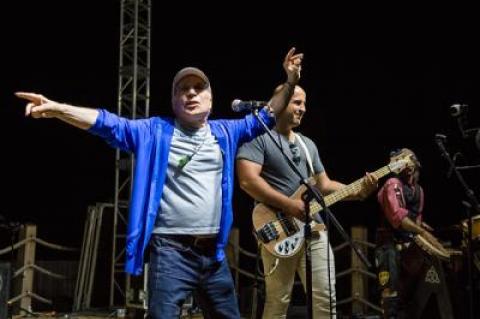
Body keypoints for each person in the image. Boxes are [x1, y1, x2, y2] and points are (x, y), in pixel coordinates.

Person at [15, 48, 303, 318]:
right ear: (174, 101)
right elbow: (108, 123)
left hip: (213, 254)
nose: (191, 93)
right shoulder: (154, 131)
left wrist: (289, 80)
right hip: (170, 252)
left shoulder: (226, 132)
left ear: (211, 100)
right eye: (182, 89)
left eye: (198, 88)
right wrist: (57, 108)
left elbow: (268, 113)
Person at [236, 83, 378, 318]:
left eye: (305, 104)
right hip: (278, 229)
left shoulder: (307, 144)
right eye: (297, 102)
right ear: (280, 102)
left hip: (314, 227)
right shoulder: (259, 137)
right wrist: (288, 205)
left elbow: (324, 185)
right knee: (277, 301)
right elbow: (248, 181)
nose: (303, 109)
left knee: (326, 298)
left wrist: (358, 191)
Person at [375, 148, 439, 319]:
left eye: (410, 159)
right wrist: (423, 233)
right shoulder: (393, 184)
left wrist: (422, 229)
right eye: (402, 160)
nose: (407, 163)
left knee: (412, 295)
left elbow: (416, 219)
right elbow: (398, 217)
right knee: (391, 295)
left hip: (409, 245)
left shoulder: (419, 190)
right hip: (389, 246)